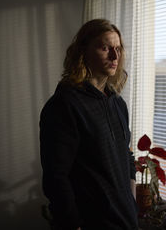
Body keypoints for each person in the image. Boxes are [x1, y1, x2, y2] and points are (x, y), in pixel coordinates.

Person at [39, 19, 138, 230]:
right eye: (105, 48)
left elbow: (126, 157)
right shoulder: (64, 104)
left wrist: (132, 205)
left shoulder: (118, 103)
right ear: (82, 51)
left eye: (117, 49)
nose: (114, 56)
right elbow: (56, 177)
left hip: (126, 222)